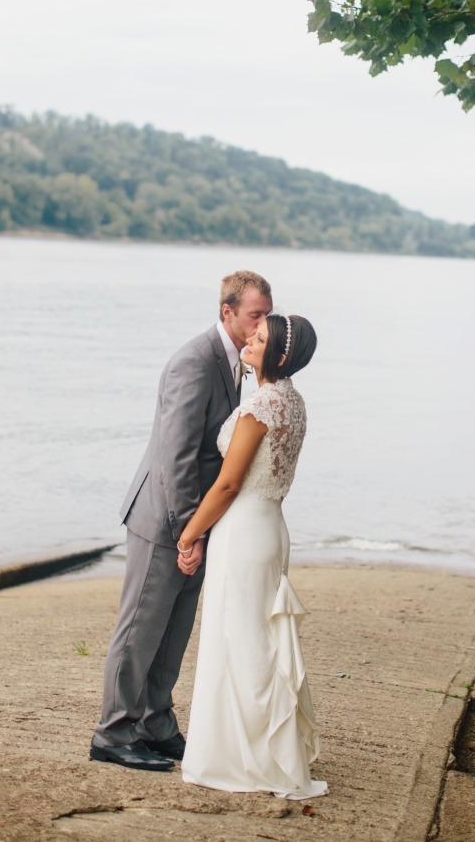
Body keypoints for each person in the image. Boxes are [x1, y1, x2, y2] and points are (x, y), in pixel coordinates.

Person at [90, 270, 273, 771]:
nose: (264, 324)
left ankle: (156, 725)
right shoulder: (194, 362)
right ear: (227, 312)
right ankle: (112, 733)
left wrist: (204, 531)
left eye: (266, 314)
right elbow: (175, 458)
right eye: (256, 314)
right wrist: (186, 533)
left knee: (173, 634)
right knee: (139, 632)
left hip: (199, 524)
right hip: (164, 520)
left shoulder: (239, 363)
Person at [177, 313, 328, 799]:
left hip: (243, 531)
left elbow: (227, 483)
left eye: (260, 339)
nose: (249, 339)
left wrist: (189, 535)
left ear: (278, 356)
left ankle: (244, 760)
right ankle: (266, 750)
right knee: (257, 640)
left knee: (239, 641)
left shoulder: (261, 404)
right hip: (272, 526)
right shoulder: (294, 401)